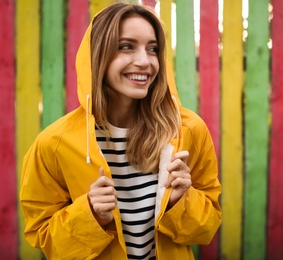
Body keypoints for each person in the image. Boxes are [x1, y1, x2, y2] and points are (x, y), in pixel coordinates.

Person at [20, 2, 222, 259]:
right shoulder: (54, 144)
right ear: (98, 55)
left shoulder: (188, 130)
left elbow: (206, 228)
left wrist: (181, 201)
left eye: (153, 49)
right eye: (126, 46)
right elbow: (43, 237)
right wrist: (90, 214)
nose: (144, 61)